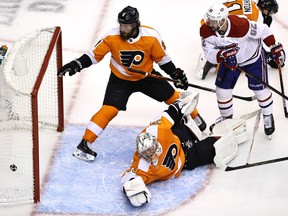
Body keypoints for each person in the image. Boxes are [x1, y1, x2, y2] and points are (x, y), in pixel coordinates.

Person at [58, 6, 207, 162]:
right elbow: (93, 56)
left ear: (136, 24)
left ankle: (199, 123)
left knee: (176, 99)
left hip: (146, 76)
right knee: (109, 110)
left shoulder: (151, 36)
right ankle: (84, 144)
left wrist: (175, 74)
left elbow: (163, 60)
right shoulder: (111, 36)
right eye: (121, 25)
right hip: (120, 80)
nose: (123, 29)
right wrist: (76, 64)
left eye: (126, 26)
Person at [121, 91, 248, 207]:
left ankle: (199, 122)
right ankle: (224, 135)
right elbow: (129, 176)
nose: (151, 155)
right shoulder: (142, 166)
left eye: (151, 150)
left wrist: (179, 104)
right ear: (141, 153)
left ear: (154, 142)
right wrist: (133, 188)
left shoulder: (157, 131)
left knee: (181, 116)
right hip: (187, 158)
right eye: (146, 154)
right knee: (217, 147)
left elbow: (169, 114)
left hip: (180, 135)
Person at [199, 3, 285, 138]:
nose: (209, 23)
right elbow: (209, 54)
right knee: (222, 91)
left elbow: (263, 30)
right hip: (230, 63)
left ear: (222, 21)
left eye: (213, 21)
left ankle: (268, 115)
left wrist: (273, 46)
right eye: (209, 19)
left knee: (260, 90)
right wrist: (222, 55)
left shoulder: (241, 25)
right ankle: (226, 119)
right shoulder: (205, 31)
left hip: (252, 58)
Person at [196, 0, 281, 80]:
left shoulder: (249, 2)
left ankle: (213, 56)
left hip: (210, 20)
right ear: (265, 9)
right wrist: (267, 57)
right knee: (238, 50)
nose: (270, 15)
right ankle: (211, 60)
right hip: (216, 24)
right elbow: (255, 39)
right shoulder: (257, 16)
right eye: (271, 12)